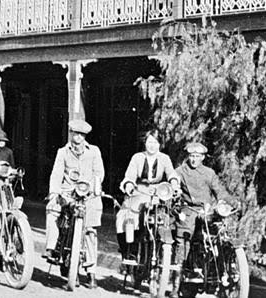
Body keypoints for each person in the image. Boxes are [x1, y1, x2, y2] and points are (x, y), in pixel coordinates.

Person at [44, 117, 104, 288]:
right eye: (75, 134)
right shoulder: (63, 152)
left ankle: (91, 272)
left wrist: (93, 187)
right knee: (53, 209)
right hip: (68, 193)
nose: (78, 138)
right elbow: (56, 173)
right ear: (70, 134)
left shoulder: (94, 151)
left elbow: (99, 173)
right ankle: (51, 247)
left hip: (88, 194)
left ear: (85, 137)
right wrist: (54, 193)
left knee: (90, 231)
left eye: (81, 135)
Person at [173, 142, 232, 284]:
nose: (194, 159)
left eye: (197, 156)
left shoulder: (209, 173)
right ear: (188, 156)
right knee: (184, 236)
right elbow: (173, 186)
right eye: (192, 156)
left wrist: (224, 201)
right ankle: (178, 275)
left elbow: (219, 190)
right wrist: (176, 192)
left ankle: (222, 268)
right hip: (189, 209)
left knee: (220, 233)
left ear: (203, 157)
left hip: (207, 210)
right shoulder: (180, 171)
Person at [117, 130, 179, 262]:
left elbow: (171, 173)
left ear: (160, 144)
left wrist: (174, 183)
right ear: (145, 143)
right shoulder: (137, 157)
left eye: (155, 142)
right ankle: (129, 252)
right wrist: (129, 184)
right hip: (139, 192)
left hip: (158, 193)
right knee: (125, 218)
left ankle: (162, 252)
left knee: (165, 218)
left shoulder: (164, 158)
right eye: (149, 142)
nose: (152, 145)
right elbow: (130, 175)